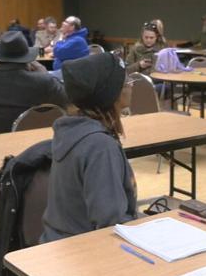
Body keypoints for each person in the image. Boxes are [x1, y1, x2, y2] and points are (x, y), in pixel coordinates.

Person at [41, 53, 138, 242]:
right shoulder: (100, 146)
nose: (131, 85)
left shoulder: (72, 128)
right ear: (111, 93)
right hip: (84, 248)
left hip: (59, 241)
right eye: (126, 81)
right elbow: (111, 221)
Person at [0, 32, 68, 135]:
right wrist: (45, 75)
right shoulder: (43, 81)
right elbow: (65, 103)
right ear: (28, 59)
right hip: (35, 142)